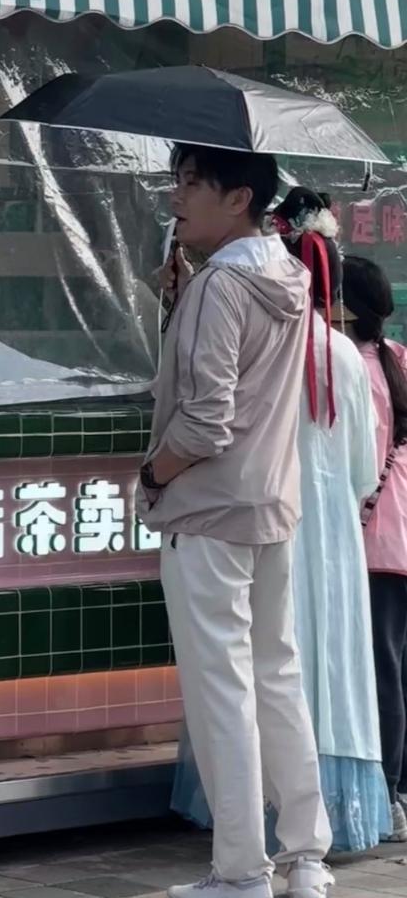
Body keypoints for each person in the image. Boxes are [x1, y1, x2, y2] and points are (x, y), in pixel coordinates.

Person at [138, 145, 332, 898]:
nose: (176, 196)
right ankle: (306, 857)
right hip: (271, 505)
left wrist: (153, 474)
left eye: (192, 183)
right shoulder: (289, 273)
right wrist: (181, 296)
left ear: (239, 197)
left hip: (208, 510)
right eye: (177, 180)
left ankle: (242, 869)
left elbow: (205, 419)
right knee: (276, 675)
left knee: (222, 689)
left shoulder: (222, 284)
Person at [171, 187, 389, 853]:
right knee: (306, 671)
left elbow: (210, 419)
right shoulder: (346, 356)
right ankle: (314, 839)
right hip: (330, 533)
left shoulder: (254, 332)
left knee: (241, 670)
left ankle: (245, 844)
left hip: (254, 513)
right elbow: (363, 471)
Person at [340, 254, 407, 841]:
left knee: (380, 668)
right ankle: (397, 789)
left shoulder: (348, 367)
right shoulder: (397, 359)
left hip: (373, 539)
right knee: (397, 666)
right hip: (397, 533)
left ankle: (385, 795)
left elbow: (355, 465)